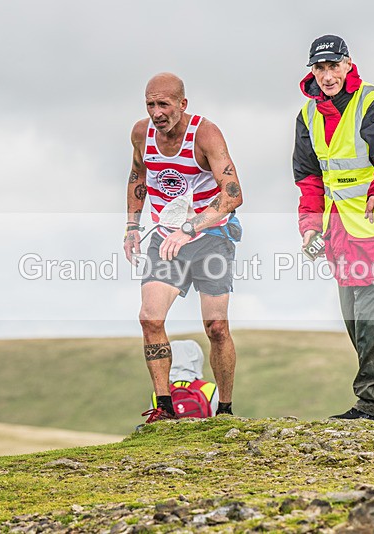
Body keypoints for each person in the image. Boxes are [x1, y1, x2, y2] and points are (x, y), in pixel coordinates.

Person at [292, 35, 374, 421]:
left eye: (334, 66)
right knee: (358, 326)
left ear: (349, 64)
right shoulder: (307, 117)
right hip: (342, 236)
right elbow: (310, 180)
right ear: (312, 73)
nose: (327, 75)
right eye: (319, 68)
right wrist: (309, 226)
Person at [123, 73, 243, 423]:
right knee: (150, 318)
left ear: (182, 104)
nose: (157, 113)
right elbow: (137, 177)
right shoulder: (141, 133)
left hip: (211, 236)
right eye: (151, 105)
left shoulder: (205, 134)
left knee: (216, 327)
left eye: (164, 104)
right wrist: (132, 225)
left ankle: (225, 411)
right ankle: (164, 408)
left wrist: (191, 227)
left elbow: (234, 194)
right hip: (165, 238)